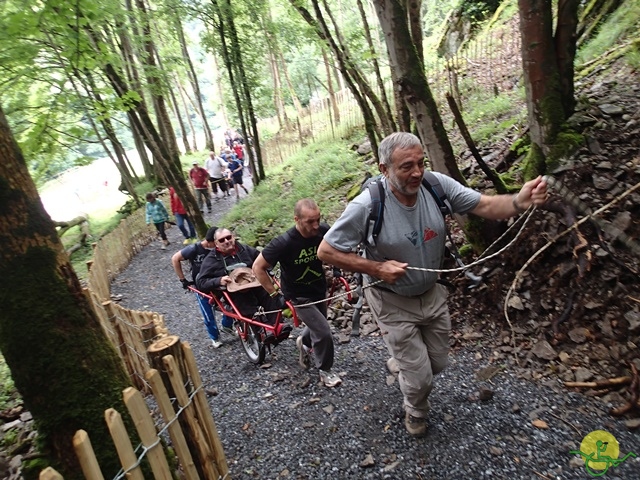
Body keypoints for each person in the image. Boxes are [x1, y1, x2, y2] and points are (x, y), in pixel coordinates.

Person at [317, 132, 548, 437]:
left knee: (437, 363)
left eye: (420, 163)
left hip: (431, 293)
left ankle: (404, 364)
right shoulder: (367, 205)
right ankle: (415, 412)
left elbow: (487, 205)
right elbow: (327, 251)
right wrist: (377, 268)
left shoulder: (436, 185)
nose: (417, 172)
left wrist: (520, 200)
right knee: (421, 378)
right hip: (391, 299)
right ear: (384, 169)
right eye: (406, 167)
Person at [253, 199, 342, 388]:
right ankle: (325, 370)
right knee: (324, 331)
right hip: (297, 295)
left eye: (318, 219)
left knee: (318, 325)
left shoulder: (322, 231)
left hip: (318, 288)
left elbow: (334, 248)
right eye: (310, 221)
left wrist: (336, 268)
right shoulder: (283, 243)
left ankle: (304, 342)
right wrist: (275, 295)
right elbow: (258, 267)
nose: (316, 225)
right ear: (297, 219)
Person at [196, 228, 284, 331]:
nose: (226, 241)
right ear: (216, 243)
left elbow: (263, 261)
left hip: (253, 284)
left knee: (269, 295)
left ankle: (277, 326)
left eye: (228, 237)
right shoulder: (211, 260)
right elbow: (200, 282)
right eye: (222, 240)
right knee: (246, 305)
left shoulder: (245, 250)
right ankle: (259, 331)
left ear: (233, 237)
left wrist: (268, 272)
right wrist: (218, 280)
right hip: (234, 292)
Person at [171, 227, 233, 348]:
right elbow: (175, 258)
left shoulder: (219, 249)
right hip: (202, 286)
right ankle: (215, 337)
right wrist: (183, 279)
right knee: (208, 314)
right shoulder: (194, 249)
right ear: (210, 241)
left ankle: (227, 325)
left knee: (232, 304)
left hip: (218, 282)